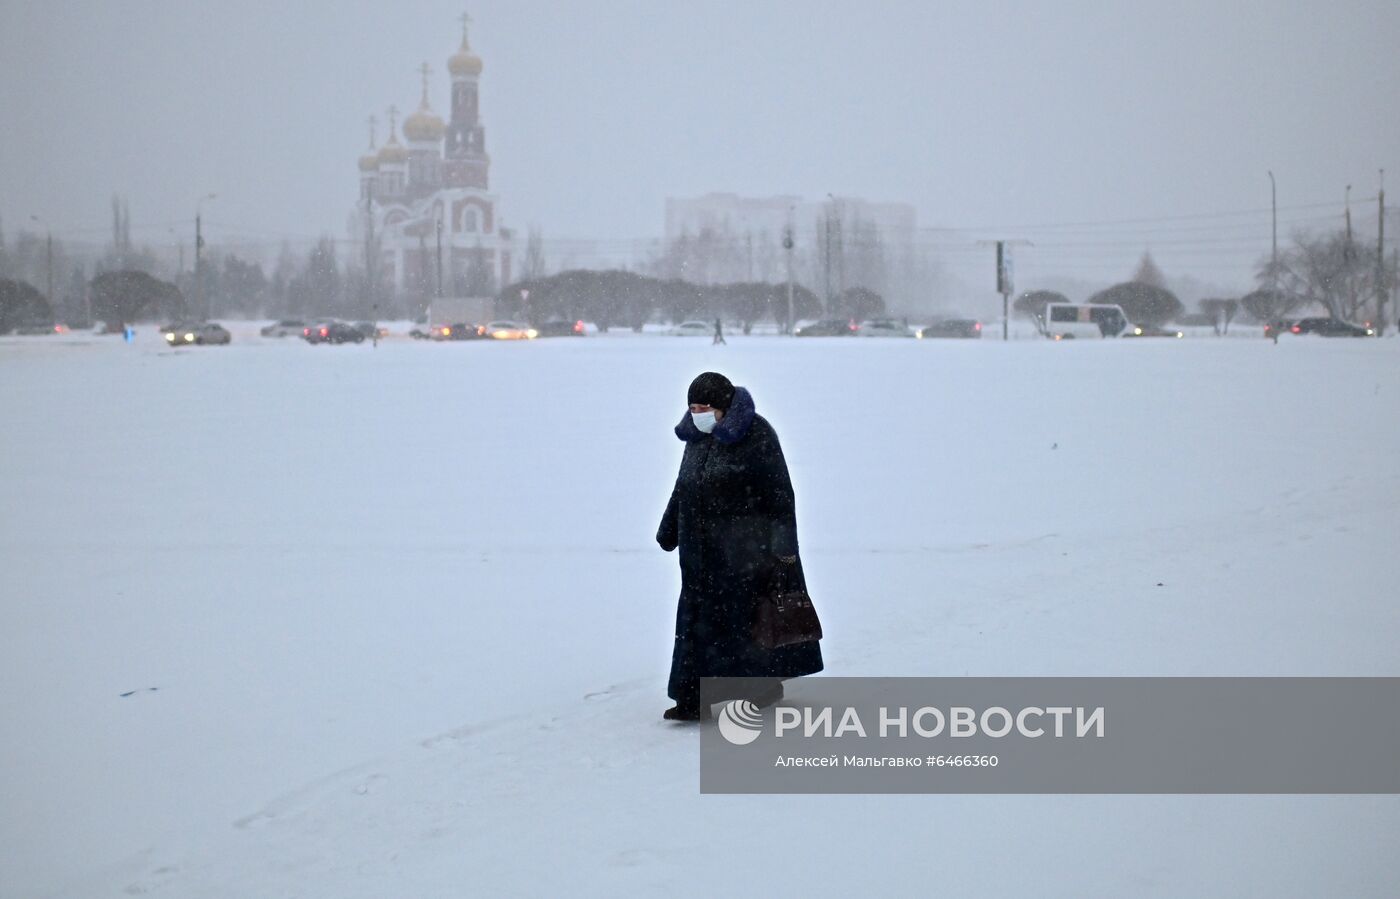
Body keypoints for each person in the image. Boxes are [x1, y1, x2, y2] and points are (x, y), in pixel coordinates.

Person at [656, 372, 823, 721]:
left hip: (744, 553)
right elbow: (685, 485)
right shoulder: (697, 437)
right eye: (692, 406)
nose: (697, 412)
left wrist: (784, 547)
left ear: (724, 406)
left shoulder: (757, 435)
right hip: (697, 555)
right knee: (696, 623)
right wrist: (669, 527)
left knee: (739, 625)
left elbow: (779, 495)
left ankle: (759, 688)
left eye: (704, 407)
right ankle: (691, 697)